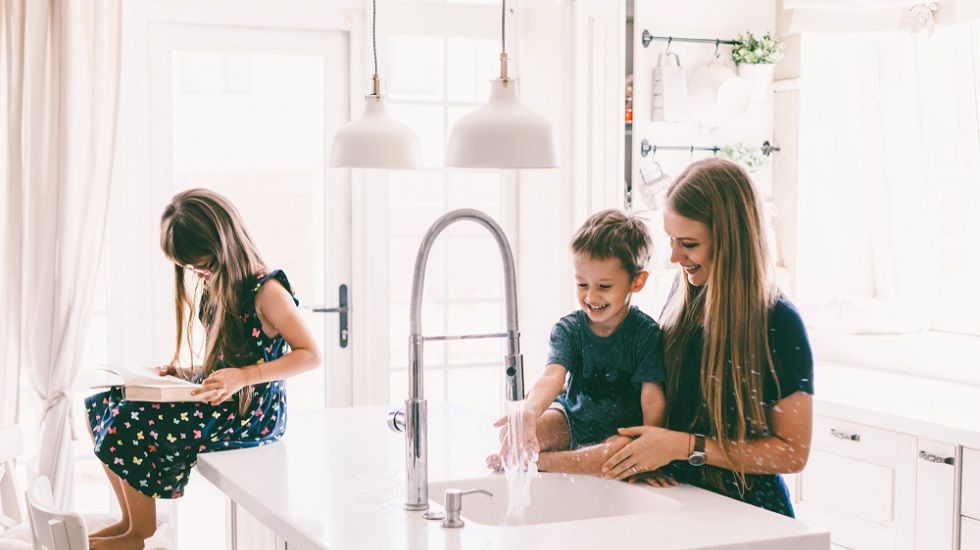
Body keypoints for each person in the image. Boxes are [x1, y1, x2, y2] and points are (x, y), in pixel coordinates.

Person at [84, 189, 322, 549]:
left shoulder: (268, 290)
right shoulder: (218, 284)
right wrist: (183, 372)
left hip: (252, 413)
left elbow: (310, 354)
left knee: (128, 419)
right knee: (103, 403)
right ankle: (129, 520)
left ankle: (140, 533)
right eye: (189, 267)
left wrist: (244, 377)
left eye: (201, 264)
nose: (197, 273)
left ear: (224, 245)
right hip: (223, 396)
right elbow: (229, 360)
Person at [601, 158, 814, 517]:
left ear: (731, 240)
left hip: (751, 517)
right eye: (671, 240)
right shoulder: (685, 294)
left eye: (688, 243)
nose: (674, 255)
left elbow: (792, 452)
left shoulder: (778, 321)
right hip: (682, 502)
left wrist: (684, 446)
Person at [488, 209, 667, 475]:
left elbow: (653, 399)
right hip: (571, 420)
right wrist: (529, 412)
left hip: (619, 433)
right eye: (582, 284)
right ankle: (541, 457)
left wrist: (652, 454)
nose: (591, 296)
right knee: (517, 432)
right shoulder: (569, 329)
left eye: (604, 286)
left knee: (616, 454)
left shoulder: (645, 333)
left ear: (637, 282)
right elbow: (552, 377)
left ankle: (538, 463)